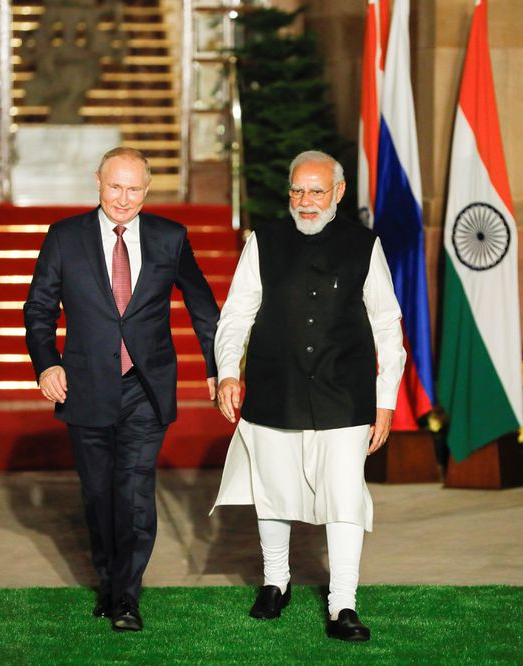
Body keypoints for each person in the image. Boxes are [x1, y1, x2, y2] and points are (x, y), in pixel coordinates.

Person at [211, 150, 405, 642]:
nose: (305, 201)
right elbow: (236, 315)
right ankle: (275, 581)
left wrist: (386, 400)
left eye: (317, 191)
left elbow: (386, 324)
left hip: (345, 394)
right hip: (276, 387)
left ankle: (343, 605)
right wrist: (229, 371)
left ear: (339, 192)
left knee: (344, 499)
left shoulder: (365, 245)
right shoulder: (264, 241)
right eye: (297, 190)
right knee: (272, 493)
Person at [24, 146, 220, 632]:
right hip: (85, 384)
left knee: (133, 492)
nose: (124, 198)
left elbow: (202, 305)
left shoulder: (170, 238)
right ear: (98, 181)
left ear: (147, 189)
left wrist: (218, 365)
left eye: (134, 188)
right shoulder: (65, 237)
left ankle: (128, 598)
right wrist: (47, 364)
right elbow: (39, 309)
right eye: (115, 186)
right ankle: (109, 583)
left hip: (145, 386)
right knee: (98, 495)